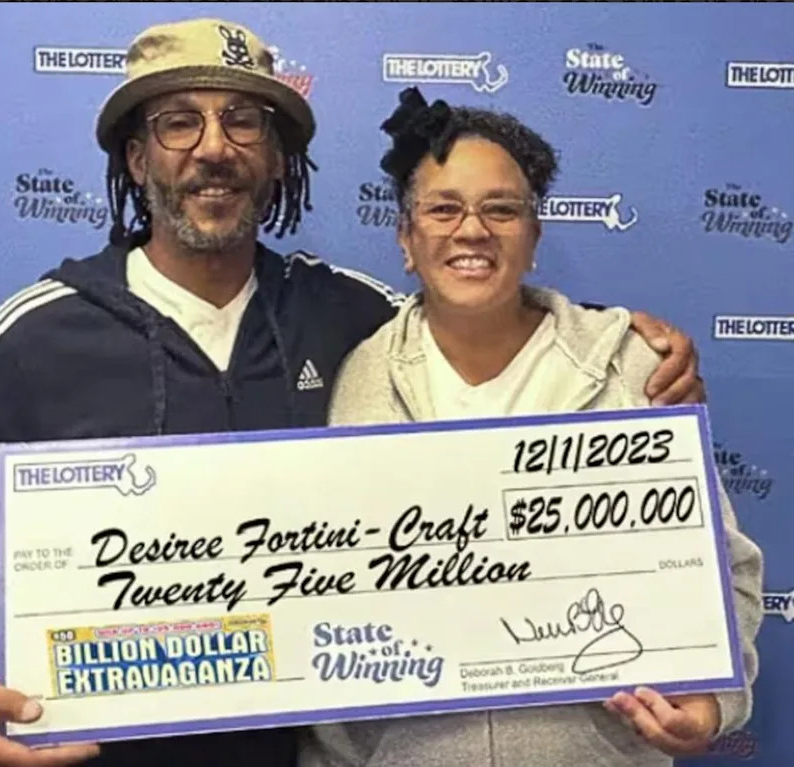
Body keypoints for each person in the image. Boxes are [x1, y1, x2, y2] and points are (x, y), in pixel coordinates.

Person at [0, 17, 706, 767]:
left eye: (244, 121)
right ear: (136, 156)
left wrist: (620, 342)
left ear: (276, 157)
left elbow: (482, 317)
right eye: (178, 122)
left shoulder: (349, 317)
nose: (214, 148)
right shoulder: (39, 331)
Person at [302, 87, 764, 767]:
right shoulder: (353, 379)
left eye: (502, 209)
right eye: (443, 209)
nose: (472, 230)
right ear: (405, 238)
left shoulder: (634, 369)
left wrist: (715, 699)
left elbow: (722, 563)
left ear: (535, 236)